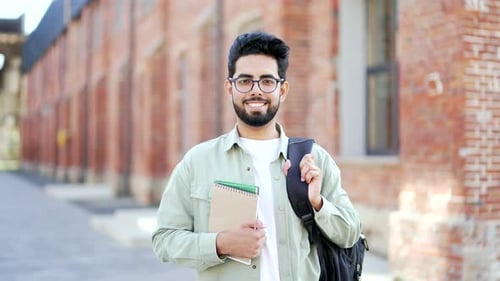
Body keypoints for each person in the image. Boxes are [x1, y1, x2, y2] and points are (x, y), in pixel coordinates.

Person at [152, 31, 361, 281]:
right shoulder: (198, 161)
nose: (256, 91)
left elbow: (350, 233)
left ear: (282, 90)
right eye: (245, 81)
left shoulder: (313, 158)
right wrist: (220, 244)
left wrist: (318, 204)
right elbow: (164, 239)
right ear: (230, 87)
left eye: (267, 81)